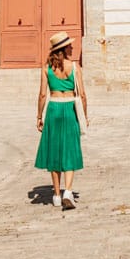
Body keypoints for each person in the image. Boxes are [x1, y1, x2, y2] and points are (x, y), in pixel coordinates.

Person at [35, 31, 88, 209]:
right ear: (64, 48)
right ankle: (68, 190)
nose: (72, 47)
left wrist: (39, 116)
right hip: (69, 107)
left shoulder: (46, 68)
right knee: (70, 149)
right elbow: (83, 94)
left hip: (54, 108)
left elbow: (43, 94)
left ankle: (56, 195)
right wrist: (85, 116)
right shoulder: (74, 67)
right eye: (70, 45)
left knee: (54, 150)